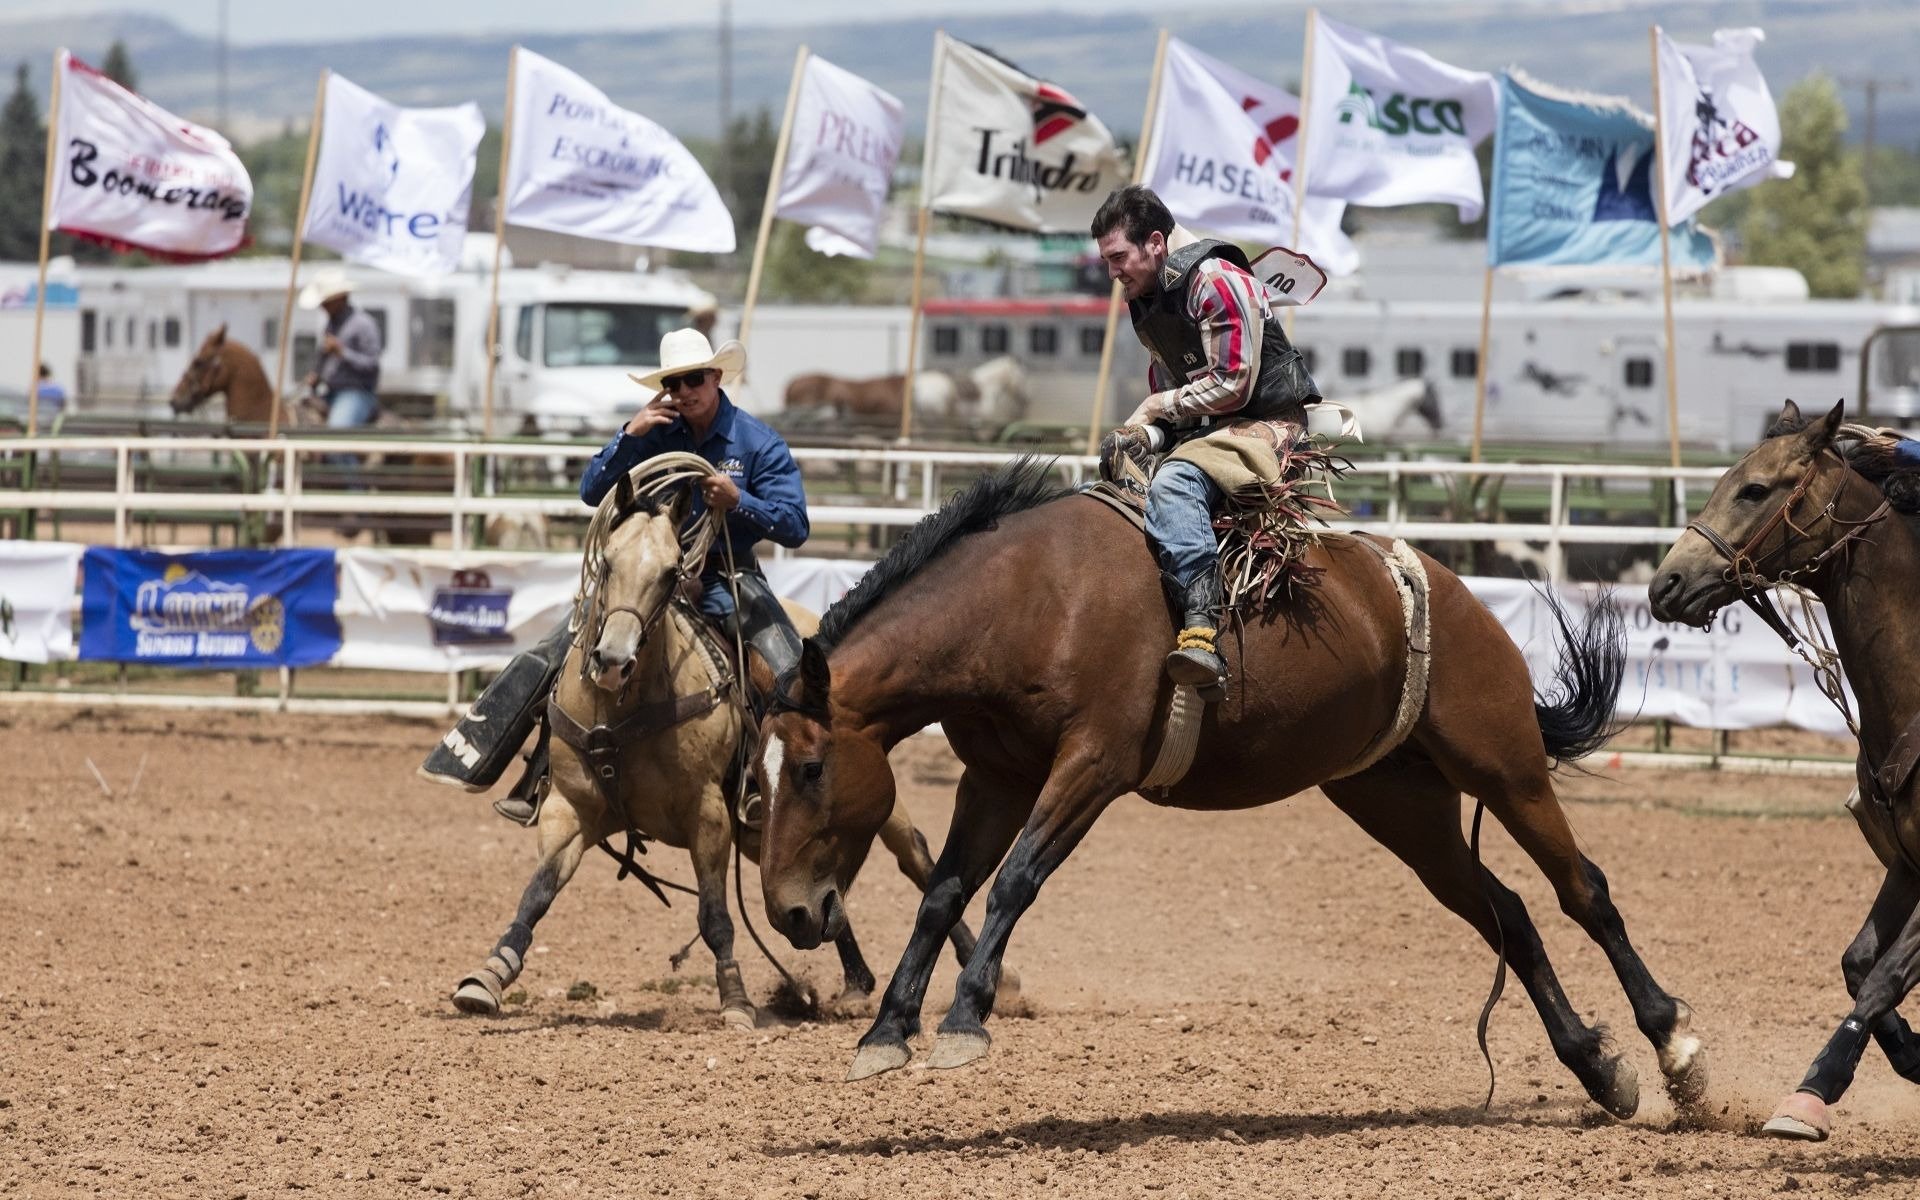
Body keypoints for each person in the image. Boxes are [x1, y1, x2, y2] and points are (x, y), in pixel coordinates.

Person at [420, 328, 810, 823]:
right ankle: (536, 770)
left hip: (723, 575)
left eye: (693, 379)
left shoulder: (756, 443)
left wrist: (740, 502)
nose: (684, 391)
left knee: (787, 665)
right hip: (643, 580)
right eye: (673, 383)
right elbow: (592, 492)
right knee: (559, 649)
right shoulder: (652, 433)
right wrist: (630, 435)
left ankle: (776, 782)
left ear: (715, 377)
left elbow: (795, 526)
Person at [1092, 184, 1322, 701]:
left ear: (1155, 242)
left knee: (1174, 483)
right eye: (1107, 261)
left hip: (1270, 425)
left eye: (1118, 257)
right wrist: (1144, 433)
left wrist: (1153, 412)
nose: (1113, 273)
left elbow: (1234, 383)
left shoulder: (1216, 280)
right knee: (1113, 468)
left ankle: (1202, 628)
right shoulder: (1147, 298)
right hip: (1207, 431)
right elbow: (1173, 391)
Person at [297, 267, 382, 429]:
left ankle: (342, 455)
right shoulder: (331, 325)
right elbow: (325, 359)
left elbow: (372, 363)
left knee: (335, 438)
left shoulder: (363, 324)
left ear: (341, 298)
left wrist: (342, 352)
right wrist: (317, 375)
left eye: (327, 302)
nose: (323, 306)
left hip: (357, 393)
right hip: (329, 392)